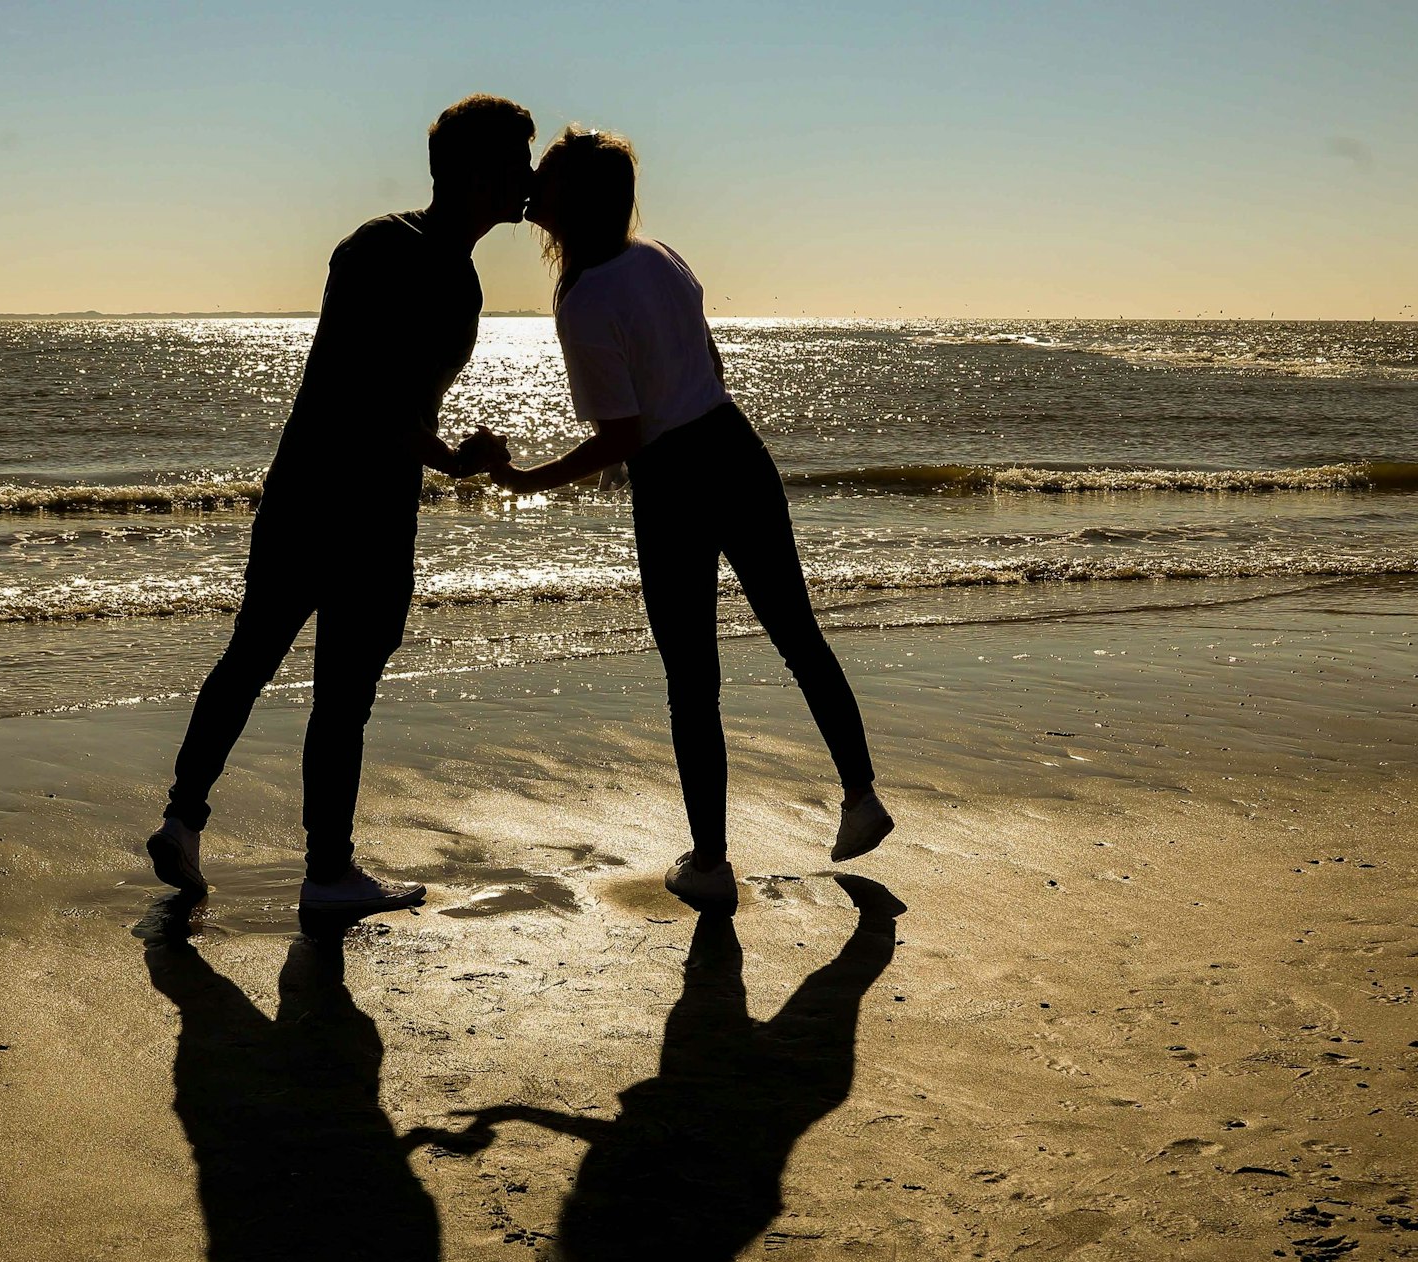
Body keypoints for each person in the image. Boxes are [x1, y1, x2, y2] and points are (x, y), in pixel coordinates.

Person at [149, 96, 535, 917]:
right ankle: (325, 873)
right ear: (475, 175)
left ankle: (186, 821)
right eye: (516, 163)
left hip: (310, 487)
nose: (528, 179)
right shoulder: (413, 262)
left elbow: (382, 402)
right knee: (337, 694)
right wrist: (452, 458)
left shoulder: (394, 251)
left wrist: (451, 456)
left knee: (253, 657)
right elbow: (378, 405)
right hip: (363, 506)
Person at [492, 126, 893, 911]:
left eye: (545, 177)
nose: (531, 186)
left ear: (571, 200)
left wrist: (527, 480)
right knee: (796, 633)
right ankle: (861, 796)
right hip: (736, 448)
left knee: (692, 678)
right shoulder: (661, 256)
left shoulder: (583, 298)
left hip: (674, 478)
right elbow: (711, 366)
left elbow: (623, 435)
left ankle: (709, 863)